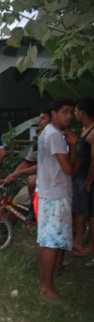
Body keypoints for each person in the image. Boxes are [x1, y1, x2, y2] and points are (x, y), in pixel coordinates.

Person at [36, 97, 76, 300]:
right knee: (51, 242)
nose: (69, 116)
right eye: (65, 111)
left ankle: (43, 283)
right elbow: (68, 169)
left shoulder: (48, 133)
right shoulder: (56, 136)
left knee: (45, 240)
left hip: (47, 192)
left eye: (71, 112)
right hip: (56, 193)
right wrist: (74, 147)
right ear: (54, 113)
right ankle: (47, 289)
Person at [0, 109, 52, 221]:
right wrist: (10, 177)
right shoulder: (37, 145)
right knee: (14, 206)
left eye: (43, 118)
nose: (39, 121)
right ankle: (6, 234)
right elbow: (25, 163)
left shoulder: (55, 140)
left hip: (49, 183)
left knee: (31, 180)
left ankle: (33, 210)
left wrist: (19, 173)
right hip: (36, 184)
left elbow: (43, 166)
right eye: (39, 118)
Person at [71, 97, 94, 257]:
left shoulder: (92, 132)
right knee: (79, 210)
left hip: (88, 178)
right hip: (79, 177)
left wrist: (89, 180)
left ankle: (91, 246)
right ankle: (78, 240)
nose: (74, 114)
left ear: (82, 112)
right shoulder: (83, 130)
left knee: (91, 213)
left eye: (75, 111)